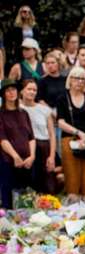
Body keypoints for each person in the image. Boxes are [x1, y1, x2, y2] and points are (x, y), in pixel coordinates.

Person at [57, 67, 85, 196]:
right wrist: (79, 133)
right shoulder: (63, 98)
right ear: (70, 80)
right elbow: (60, 122)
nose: (80, 81)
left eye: (83, 79)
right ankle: (72, 203)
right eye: (77, 78)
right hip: (70, 140)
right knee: (72, 176)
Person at [0, 79, 35, 207]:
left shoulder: (24, 113)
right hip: (8, 161)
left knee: (27, 198)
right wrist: (15, 156)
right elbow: (2, 139)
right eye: (8, 90)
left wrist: (32, 156)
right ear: (3, 94)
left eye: (13, 89)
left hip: (27, 162)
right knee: (9, 198)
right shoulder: (1, 114)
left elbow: (31, 137)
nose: (11, 93)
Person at [20, 79, 58, 194]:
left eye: (34, 90)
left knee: (46, 183)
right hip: (25, 147)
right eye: (29, 89)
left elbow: (52, 134)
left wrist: (52, 156)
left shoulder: (44, 110)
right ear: (21, 91)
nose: (32, 92)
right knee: (28, 182)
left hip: (43, 147)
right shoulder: (17, 109)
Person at [4, 5, 39, 71]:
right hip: (20, 51)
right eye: (24, 11)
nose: (27, 13)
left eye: (29, 12)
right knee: (21, 68)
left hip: (32, 50)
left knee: (32, 68)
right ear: (20, 13)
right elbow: (10, 40)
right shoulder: (16, 27)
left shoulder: (34, 26)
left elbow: (37, 40)